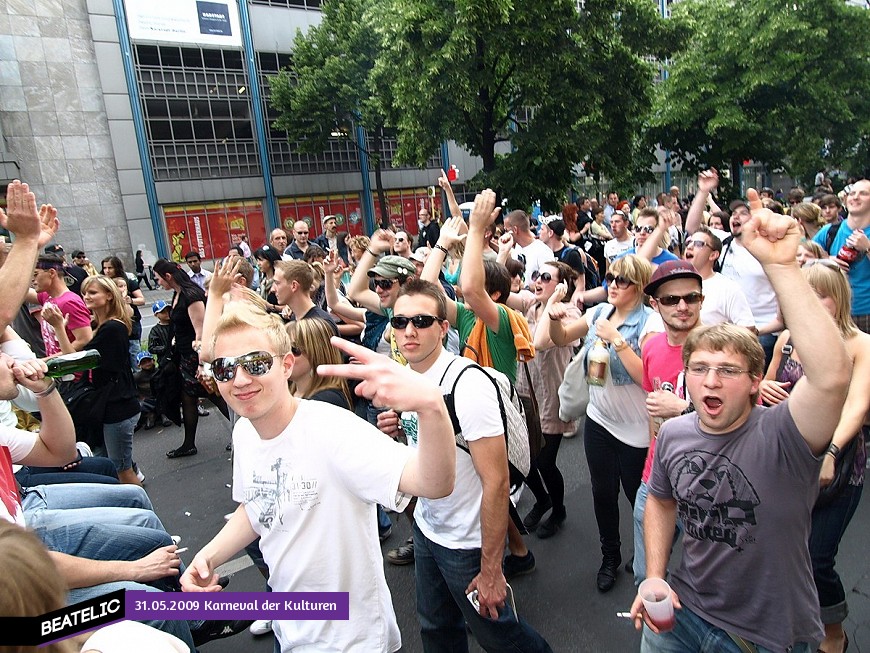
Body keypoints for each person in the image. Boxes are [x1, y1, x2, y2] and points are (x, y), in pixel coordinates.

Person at [630, 189, 852, 653]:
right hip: (682, 617)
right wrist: (653, 575)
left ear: (755, 381)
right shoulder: (673, 433)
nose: (710, 382)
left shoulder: (785, 437)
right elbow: (662, 501)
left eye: (728, 371)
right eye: (700, 370)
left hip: (761, 637)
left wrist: (783, 266)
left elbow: (832, 378)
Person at [180, 302, 457, 652]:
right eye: (224, 368)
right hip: (290, 627)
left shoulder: (332, 430)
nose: (240, 379)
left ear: (285, 365)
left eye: (256, 363)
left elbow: (435, 483)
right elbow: (259, 506)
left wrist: (431, 406)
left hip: (351, 640)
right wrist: (208, 556)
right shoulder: (246, 433)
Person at [377, 278, 552, 652]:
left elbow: (496, 482)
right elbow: (427, 450)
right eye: (400, 321)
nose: (409, 331)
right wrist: (398, 427)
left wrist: (491, 569)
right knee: (436, 628)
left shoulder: (466, 386)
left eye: (421, 322)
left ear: (443, 328)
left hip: (466, 543)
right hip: (428, 527)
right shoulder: (408, 377)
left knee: (500, 636)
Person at [759, 261, 869, 653]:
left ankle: (834, 631)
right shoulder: (789, 337)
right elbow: (768, 379)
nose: (808, 303)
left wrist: (832, 452)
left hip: (836, 467)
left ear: (837, 299)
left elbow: (856, 407)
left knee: (818, 557)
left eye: (817, 294)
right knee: (787, 553)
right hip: (787, 459)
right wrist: (764, 391)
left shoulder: (860, 345)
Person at [549, 254, 663, 592]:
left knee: (639, 499)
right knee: (602, 493)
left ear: (640, 286)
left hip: (637, 430)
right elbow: (560, 337)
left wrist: (617, 339)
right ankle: (609, 556)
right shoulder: (599, 312)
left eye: (622, 280)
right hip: (599, 421)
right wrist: (554, 318)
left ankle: (645, 556)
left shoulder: (650, 323)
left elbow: (648, 377)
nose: (612, 284)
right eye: (610, 278)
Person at [48, 276, 141, 485]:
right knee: (114, 465)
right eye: (84, 293)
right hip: (112, 405)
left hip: (119, 406)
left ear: (109, 295)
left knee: (122, 470)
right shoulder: (99, 325)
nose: (86, 297)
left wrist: (59, 328)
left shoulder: (112, 328)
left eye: (92, 292)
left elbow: (74, 361)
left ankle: (143, 511)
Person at [517, 262, 581, 538]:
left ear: (561, 285)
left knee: (544, 462)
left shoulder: (569, 314)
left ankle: (558, 509)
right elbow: (489, 291)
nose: (537, 281)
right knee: (521, 458)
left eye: (545, 277)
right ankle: (542, 499)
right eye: (535, 275)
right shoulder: (531, 305)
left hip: (552, 398)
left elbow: (540, 342)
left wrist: (555, 300)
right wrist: (504, 250)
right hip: (525, 393)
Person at [152, 259, 230, 458]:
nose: (157, 282)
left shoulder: (190, 295)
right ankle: (189, 443)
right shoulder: (178, 294)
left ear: (168, 276)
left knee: (213, 394)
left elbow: (202, 330)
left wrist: (202, 363)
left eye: (158, 278)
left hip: (195, 357)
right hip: (186, 355)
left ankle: (243, 431)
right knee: (189, 397)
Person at [814, 179, 870, 333]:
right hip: (836, 312)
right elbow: (803, 261)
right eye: (852, 193)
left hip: (866, 310)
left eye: (863, 193)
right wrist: (825, 261)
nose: (855, 197)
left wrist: (867, 248)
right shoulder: (829, 231)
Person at [683, 226, 755, 328]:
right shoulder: (673, 284)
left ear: (713, 255)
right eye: (688, 242)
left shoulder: (728, 288)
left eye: (698, 244)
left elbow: (748, 329)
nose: (689, 247)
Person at [27, 254, 93, 355]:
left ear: (52, 273)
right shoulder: (47, 296)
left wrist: (50, 360)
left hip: (72, 369)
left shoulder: (69, 302)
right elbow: (21, 292)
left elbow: (84, 340)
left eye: (35, 274)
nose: (32, 279)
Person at [101, 256, 146, 369]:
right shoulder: (102, 284)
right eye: (105, 268)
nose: (107, 270)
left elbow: (141, 300)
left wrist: (130, 300)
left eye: (110, 267)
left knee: (134, 353)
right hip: (112, 322)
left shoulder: (128, 281)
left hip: (131, 323)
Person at [503, 209, 555, 285]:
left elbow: (549, 282)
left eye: (506, 230)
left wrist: (526, 287)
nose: (505, 234)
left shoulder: (543, 252)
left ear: (515, 229)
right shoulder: (518, 247)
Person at [253, 244, 283, 312]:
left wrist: (272, 307)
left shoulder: (281, 281)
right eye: (257, 260)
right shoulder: (262, 282)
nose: (258, 263)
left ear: (270, 260)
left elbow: (289, 306)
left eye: (261, 260)